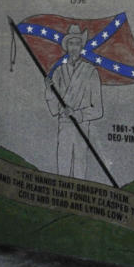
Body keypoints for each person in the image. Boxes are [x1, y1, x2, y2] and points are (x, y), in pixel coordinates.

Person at [44, 24, 103, 178]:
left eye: (77, 44)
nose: (74, 47)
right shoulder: (59, 72)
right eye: (71, 43)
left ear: (81, 46)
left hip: (81, 126)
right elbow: (54, 109)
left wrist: (77, 114)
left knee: (79, 164)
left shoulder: (90, 72)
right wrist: (49, 90)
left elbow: (98, 110)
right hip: (64, 125)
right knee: (62, 164)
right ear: (67, 46)